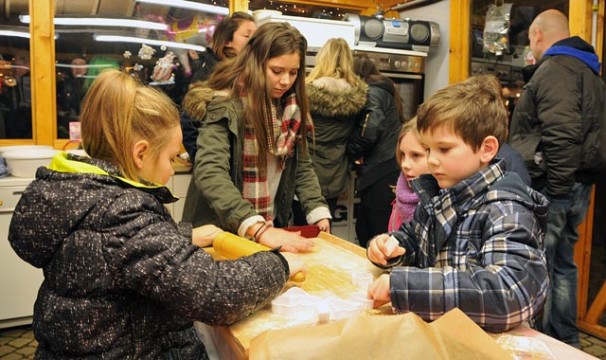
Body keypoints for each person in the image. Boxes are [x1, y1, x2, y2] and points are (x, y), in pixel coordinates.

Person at [8, 69, 303, 358]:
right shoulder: (122, 213)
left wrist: (182, 236)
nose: (172, 169)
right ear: (140, 153)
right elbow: (214, 293)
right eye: (171, 157)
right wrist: (279, 264)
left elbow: (104, 250)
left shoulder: (82, 193)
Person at [366, 76, 549, 333]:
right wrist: (390, 247)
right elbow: (412, 238)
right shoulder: (440, 193)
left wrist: (406, 286)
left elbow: (509, 292)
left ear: (486, 149)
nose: (432, 161)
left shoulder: (506, 208)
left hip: (488, 344)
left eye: (444, 149)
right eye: (429, 150)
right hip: (444, 333)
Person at [181, 22, 331, 253]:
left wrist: (317, 210)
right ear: (256, 63)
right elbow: (210, 172)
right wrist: (255, 226)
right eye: (276, 71)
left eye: (293, 73)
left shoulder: (291, 109)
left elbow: (301, 166)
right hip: (221, 230)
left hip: (269, 225)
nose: (285, 81)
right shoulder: (224, 104)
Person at [508, 9, 606, 347]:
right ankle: (565, 343)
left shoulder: (555, 70)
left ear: (537, 34)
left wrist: (556, 192)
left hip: (557, 185)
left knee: (542, 267)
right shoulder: (587, 68)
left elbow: (562, 135)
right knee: (563, 264)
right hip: (579, 183)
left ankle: (544, 344)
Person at [291, 38, 368, 224]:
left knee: (302, 224)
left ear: (322, 58)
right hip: (336, 172)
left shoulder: (307, 90)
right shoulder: (357, 95)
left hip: (307, 169)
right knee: (324, 224)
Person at [181, 11, 256, 161]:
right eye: (247, 36)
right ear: (228, 41)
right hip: (220, 164)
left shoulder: (248, 71)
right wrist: (202, 158)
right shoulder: (211, 73)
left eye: (256, 36)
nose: (254, 41)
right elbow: (188, 122)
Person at [347, 53, 404, 247]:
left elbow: (370, 130)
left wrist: (351, 151)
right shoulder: (386, 89)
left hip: (380, 169)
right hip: (389, 167)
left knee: (373, 230)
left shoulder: (373, 92)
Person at [387, 117, 429, 232]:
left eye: (416, 155)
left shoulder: (443, 205)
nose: (405, 164)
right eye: (402, 155)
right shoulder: (400, 197)